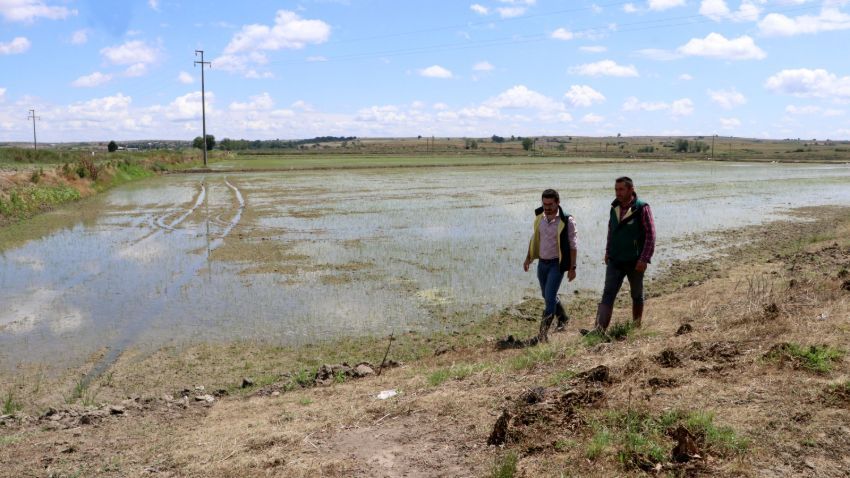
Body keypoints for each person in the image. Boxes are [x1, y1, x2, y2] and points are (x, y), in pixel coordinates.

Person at [585, 176, 656, 336]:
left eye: (621, 189)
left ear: (631, 189)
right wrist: (608, 251)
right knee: (608, 293)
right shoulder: (614, 207)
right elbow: (611, 231)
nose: (618, 192)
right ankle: (598, 331)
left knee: (636, 294)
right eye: (616, 189)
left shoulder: (641, 208)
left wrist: (644, 258)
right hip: (615, 260)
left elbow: (651, 235)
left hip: (635, 261)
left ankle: (636, 327)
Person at [523, 189, 577, 344]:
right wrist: (528, 258)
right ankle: (563, 318)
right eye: (544, 204)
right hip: (542, 264)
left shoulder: (567, 220)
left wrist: (573, 267)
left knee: (549, 298)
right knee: (547, 296)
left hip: (556, 264)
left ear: (557, 203)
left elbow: (573, 245)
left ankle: (542, 335)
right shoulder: (540, 217)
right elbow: (534, 239)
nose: (547, 207)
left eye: (550, 204)